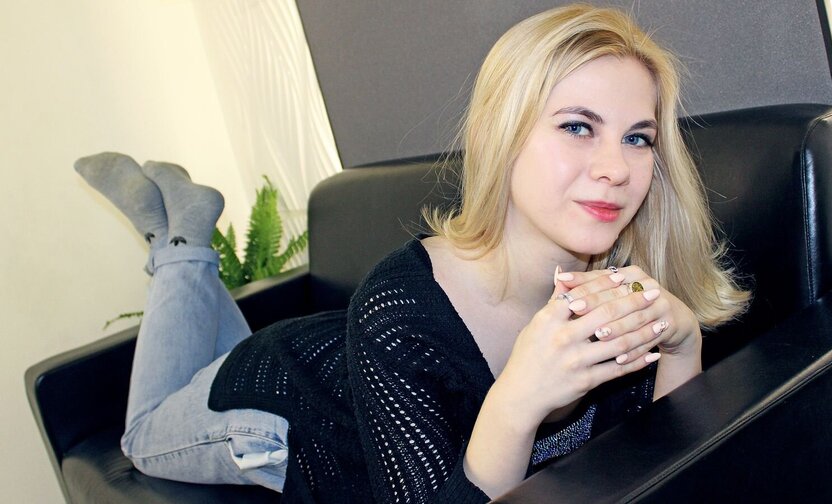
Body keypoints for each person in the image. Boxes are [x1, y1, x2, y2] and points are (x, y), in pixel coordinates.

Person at [75, 4, 748, 503]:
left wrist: (683, 346)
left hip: (346, 355)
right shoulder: (397, 305)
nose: (616, 168)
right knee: (142, 435)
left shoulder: (623, 285)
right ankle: (183, 246)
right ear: (497, 136)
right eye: (577, 127)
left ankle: (183, 238)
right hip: (279, 406)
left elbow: (665, 467)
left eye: (638, 138)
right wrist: (515, 402)